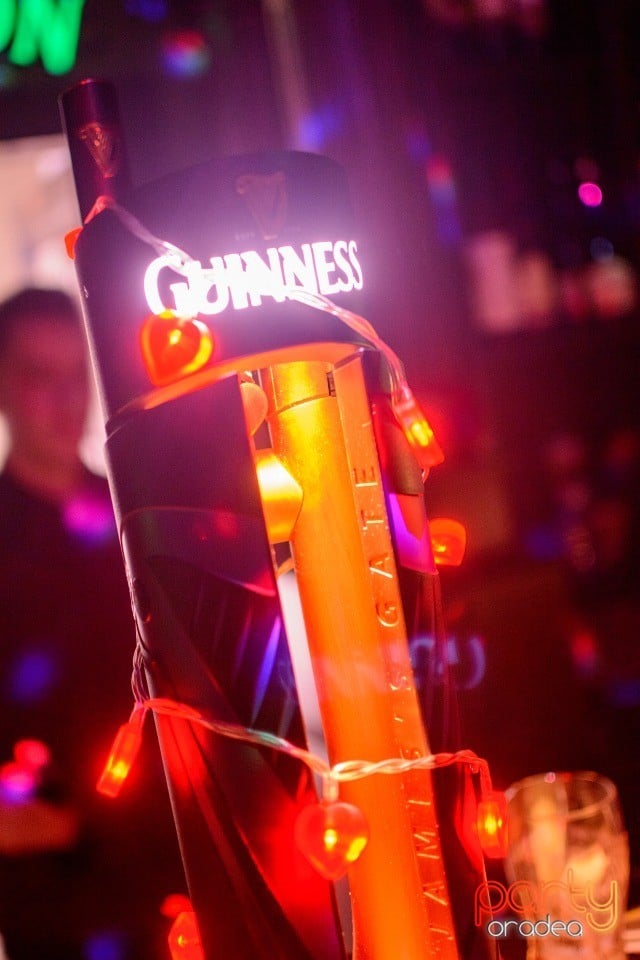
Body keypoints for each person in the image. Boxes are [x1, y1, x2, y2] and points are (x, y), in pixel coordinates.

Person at [0, 288, 184, 960]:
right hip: (58, 905)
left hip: (163, 874)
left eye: (78, 374)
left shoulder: (134, 522)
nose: (66, 398)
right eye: (39, 375)